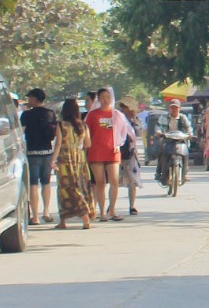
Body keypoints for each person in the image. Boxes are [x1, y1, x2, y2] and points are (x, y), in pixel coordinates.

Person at [86, 86, 128, 220]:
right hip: (96, 152)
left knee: (114, 181)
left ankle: (113, 210)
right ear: (98, 99)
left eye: (108, 97)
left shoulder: (117, 115)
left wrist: (118, 144)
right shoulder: (92, 115)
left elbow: (123, 132)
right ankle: (102, 212)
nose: (105, 100)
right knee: (100, 182)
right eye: (102, 97)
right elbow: (87, 133)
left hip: (112, 152)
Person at [19, 88, 57, 226]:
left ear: (35, 99)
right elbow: (54, 133)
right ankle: (46, 211)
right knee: (46, 182)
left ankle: (35, 216)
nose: (29, 100)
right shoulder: (50, 113)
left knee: (33, 184)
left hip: (32, 153)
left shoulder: (26, 115)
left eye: (30, 98)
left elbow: (20, 134)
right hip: (47, 152)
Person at [55, 99, 94, 229]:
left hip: (65, 160)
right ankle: (85, 219)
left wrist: (52, 160)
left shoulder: (61, 125)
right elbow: (88, 144)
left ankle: (63, 221)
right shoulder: (83, 125)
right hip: (80, 159)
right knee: (80, 187)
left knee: (65, 189)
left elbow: (58, 144)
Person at [153, 96, 192, 186]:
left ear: (179, 109)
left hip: (180, 140)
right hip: (167, 140)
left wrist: (190, 133)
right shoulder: (164, 117)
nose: (174, 110)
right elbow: (158, 126)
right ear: (169, 108)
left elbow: (189, 127)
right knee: (161, 152)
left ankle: (185, 173)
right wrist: (159, 131)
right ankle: (159, 172)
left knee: (186, 153)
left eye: (176, 108)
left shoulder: (183, 117)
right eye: (172, 107)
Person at [118, 95, 142, 216]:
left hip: (131, 153)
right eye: (123, 107)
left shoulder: (134, 120)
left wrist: (133, 120)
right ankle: (111, 206)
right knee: (114, 180)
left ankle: (132, 206)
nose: (124, 109)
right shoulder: (117, 117)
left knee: (132, 181)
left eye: (126, 107)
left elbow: (139, 132)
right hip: (117, 151)